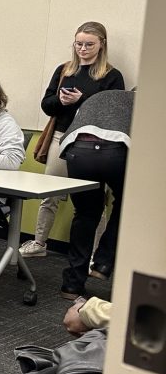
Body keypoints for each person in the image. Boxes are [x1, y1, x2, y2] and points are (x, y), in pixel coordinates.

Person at [20, 22, 125, 258]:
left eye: (89, 44)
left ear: (102, 45)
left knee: (93, 201)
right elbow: (47, 105)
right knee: (49, 193)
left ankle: (95, 254)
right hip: (61, 136)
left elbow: (114, 114)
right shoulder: (65, 70)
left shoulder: (111, 76)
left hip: (93, 146)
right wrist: (62, 101)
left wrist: (82, 99)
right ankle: (39, 242)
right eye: (79, 44)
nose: (83, 49)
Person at [58, 89, 133, 298]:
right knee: (127, 204)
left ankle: (72, 285)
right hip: (115, 152)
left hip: (78, 149)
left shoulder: (104, 96)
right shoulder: (145, 105)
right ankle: (103, 262)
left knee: (85, 214)